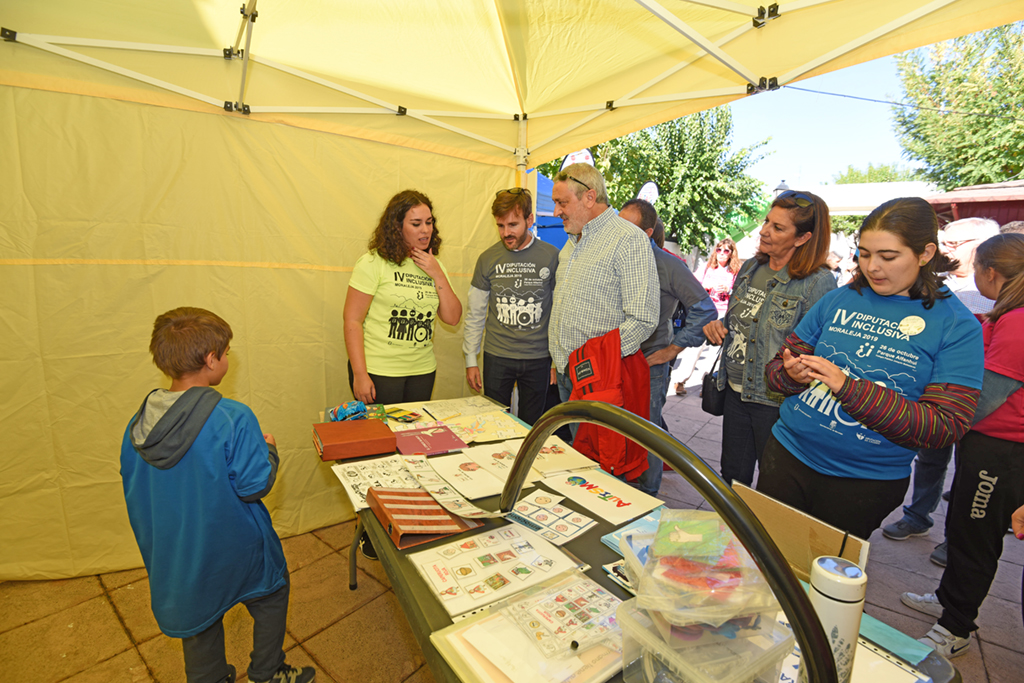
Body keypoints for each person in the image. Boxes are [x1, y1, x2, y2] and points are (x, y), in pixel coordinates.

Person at [757, 197, 984, 541]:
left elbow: (944, 425)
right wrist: (790, 375)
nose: (872, 267)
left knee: (823, 579)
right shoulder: (840, 298)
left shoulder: (956, 325)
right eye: (864, 254)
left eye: (888, 257)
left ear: (925, 254)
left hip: (864, 482)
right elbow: (776, 371)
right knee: (765, 557)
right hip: (787, 455)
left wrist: (848, 388)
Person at [120, 307, 314, 683]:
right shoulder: (232, 417)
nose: (227, 357)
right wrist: (269, 450)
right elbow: (254, 485)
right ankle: (268, 672)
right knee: (272, 595)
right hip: (237, 547)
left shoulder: (138, 424)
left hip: (178, 554)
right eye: (225, 352)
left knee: (199, 622)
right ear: (212, 361)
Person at [899, 233, 1024, 658]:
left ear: (991, 272)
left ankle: (955, 627)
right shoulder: (1005, 315)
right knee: (962, 525)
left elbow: (986, 396)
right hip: (985, 446)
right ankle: (950, 598)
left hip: (1002, 452)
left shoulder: (1019, 322)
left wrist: (929, 424)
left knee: (975, 536)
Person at [880, 217, 999, 568]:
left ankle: (956, 538)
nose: (946, 248)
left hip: (978, 399)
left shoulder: (996, 295)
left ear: (982, 244)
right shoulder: (935, 284)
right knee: (930, 456)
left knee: (970, 474)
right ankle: (918, 514)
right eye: (943, 242)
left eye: (954, 243)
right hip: (928, 389)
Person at [702, 190, 837, 487]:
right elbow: (747, 319)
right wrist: (719, 327)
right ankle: (731, 534)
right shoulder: (751, 267)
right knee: (732, 479)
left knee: (774, 485)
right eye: (766, 222)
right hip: (736, 392)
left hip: (776, 404)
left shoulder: (817, 282)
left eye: (778, 228)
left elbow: (820, 350)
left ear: (802, 238)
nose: (764, 231)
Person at [549, 163, 659, 481]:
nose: (556, 211)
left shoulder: (628, 240)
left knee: (606, 471)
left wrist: (596, 363)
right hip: (568, 376)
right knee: (579, 466)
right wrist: (560, 360)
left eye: (562, 203)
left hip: (602, 382)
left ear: (589, 197)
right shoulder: (571, 244)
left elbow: (643, 318)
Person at [619, 198, 717, 495]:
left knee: (648, 433)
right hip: (614, 360)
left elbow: (705, 310)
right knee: (617, 429)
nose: (617, 232)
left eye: (627, 227)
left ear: (647, 232)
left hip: (650, 362)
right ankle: (618, 491)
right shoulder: (614, 258)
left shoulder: (667, 264)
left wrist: (673, 349)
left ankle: (648, 497)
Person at [344, 189, 462, 406]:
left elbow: (453, 318)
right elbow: (353, 320)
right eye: (416, 224)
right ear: (397, 227)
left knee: (412, 437)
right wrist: (360, 374)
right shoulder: (373, 262)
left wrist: (437, 274)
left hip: (422, 371)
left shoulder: (434, 265)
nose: (425, 230)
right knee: (381, 438)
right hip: (379, 371)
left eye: (429, 222)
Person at [462, 187, 559, 425]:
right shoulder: (487, 258)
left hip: (539, 358)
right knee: (493, 424)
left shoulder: (552, 256)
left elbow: (559, 314)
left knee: (532, 427)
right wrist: (470, 360)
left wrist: (557, 361)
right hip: (497, 356)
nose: (506, 233)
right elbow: (475, 313)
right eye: (500, 226)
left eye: (513, 225)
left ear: (530, 220)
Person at [672, 238, 740, 396]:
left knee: (712, 350)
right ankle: (680, 380)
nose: (722, 253)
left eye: (726, 251)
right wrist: (707, 286)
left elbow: (739, 293)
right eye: (719, 249)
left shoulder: (735, 271)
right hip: (705, 311)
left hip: (723, 313)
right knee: (694, 347)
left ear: (731, 253)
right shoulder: (707, 267)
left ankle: (705, 383)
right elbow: (692, 284)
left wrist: (728, 290)